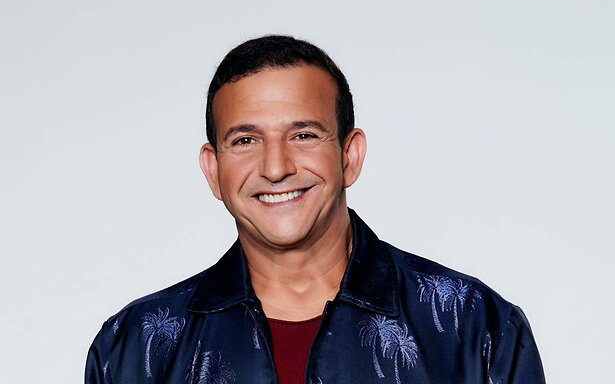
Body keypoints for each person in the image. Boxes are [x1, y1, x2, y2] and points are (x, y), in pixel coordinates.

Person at [86, 35, 546, 384]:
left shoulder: (473, 327)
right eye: (245, 140)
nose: (276, 167)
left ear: (349, 156)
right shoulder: (135, 348)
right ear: (213, 169)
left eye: (303, 135)